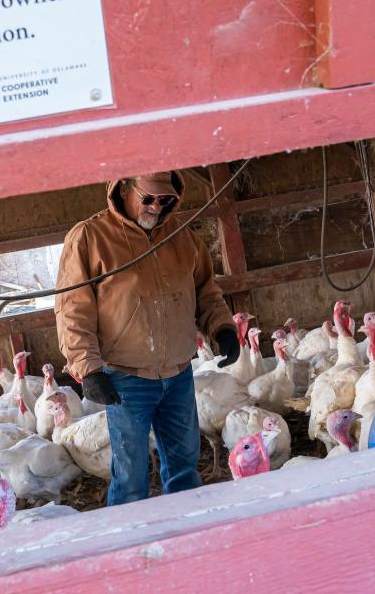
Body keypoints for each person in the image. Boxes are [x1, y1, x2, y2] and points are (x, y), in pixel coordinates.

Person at [54, 171, 240, 505]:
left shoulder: (182, 234)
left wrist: (222, 328)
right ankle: (131, 548)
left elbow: (205, 291)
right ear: (123, 187)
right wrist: (88, 368)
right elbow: (73, 308)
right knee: (130, 477)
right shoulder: (90, 238)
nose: (156, 207)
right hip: (126, 378)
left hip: (179, 372)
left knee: (185, 467)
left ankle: (186, 538)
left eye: (166, 200)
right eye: (149, 198)